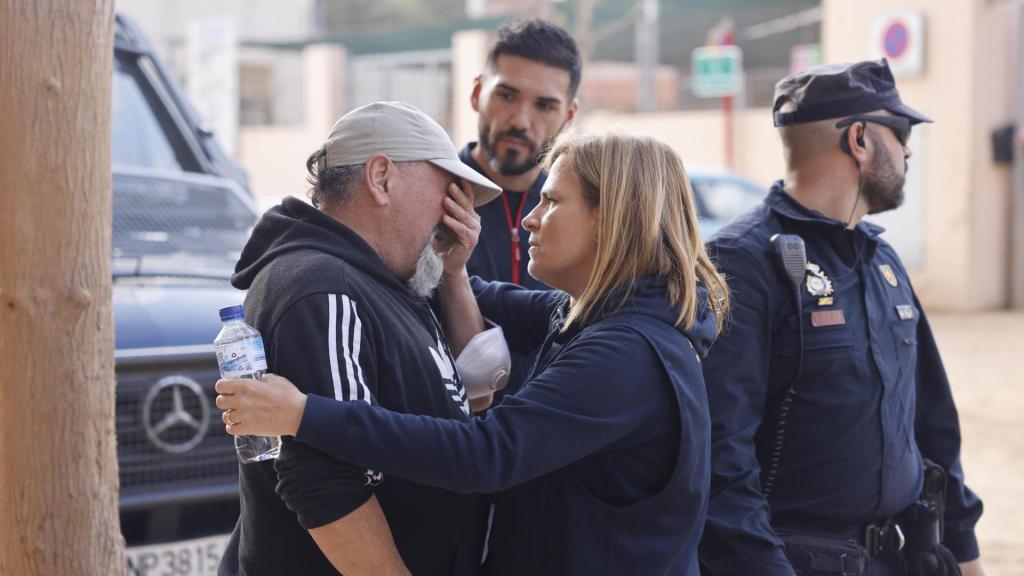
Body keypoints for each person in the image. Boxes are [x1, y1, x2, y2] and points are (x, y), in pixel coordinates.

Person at [216, 132, 730, 575]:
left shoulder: (626, 354)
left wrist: (303, 413)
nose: (529, 219)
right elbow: (450, 287)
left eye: (551, 202)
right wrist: (444, 265)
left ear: (613, 218)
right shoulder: (599, 315)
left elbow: (484, 455)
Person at [698, 59, 985, 576]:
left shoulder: (882, 261)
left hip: (896, 557)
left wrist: (962, 550)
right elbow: (720, 454)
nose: (909, 150)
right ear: (860, 140)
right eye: (900, 133)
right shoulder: (742, 261)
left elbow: (931, 424)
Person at [218, 101, 503, 576]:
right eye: (447, 191)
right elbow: (328, 482)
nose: (458, 213)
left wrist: (453, 273)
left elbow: (472, 394)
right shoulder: (323, 286)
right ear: (382, 178)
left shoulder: (386, 280)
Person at [457, 18, 581, 399]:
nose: (521, 120)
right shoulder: (423, 204)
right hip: (449, 442)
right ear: (478, 93)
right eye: (506, 96)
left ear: (569, 117)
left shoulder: (588, 216)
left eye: (545, 105)